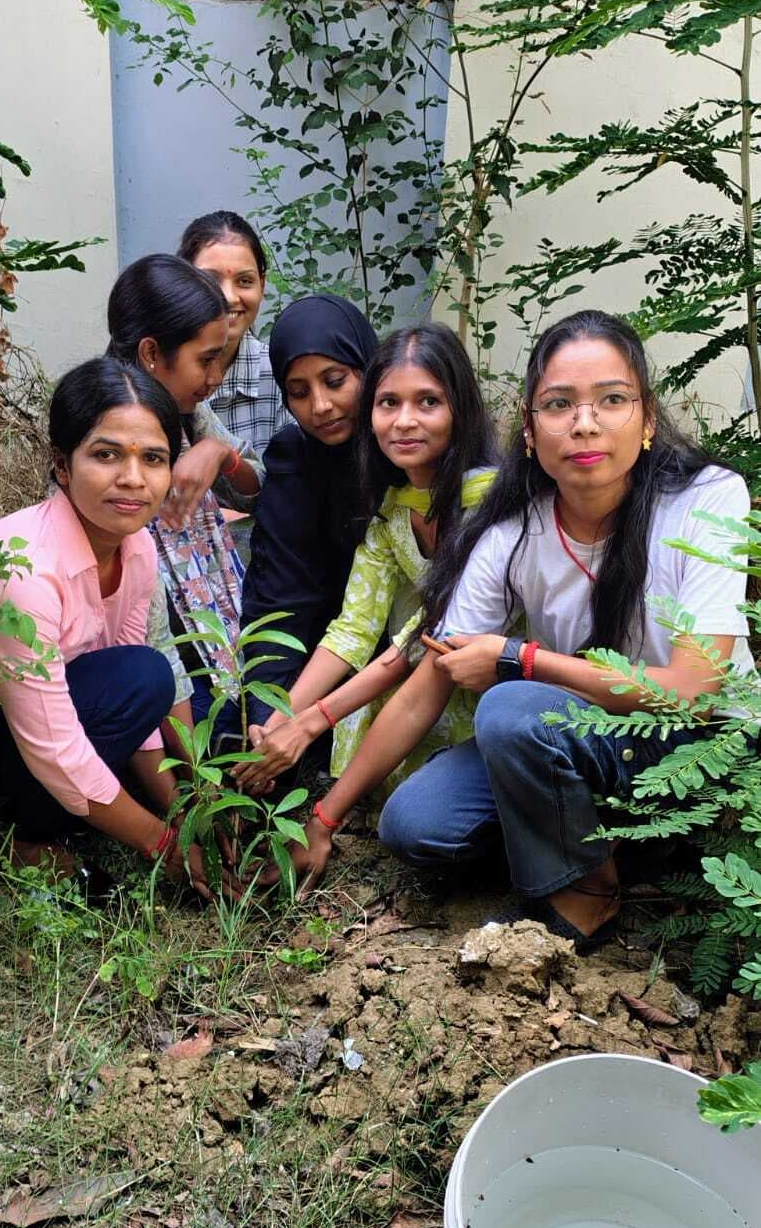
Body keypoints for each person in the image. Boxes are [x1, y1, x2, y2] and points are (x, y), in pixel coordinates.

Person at [289, 310, 753, 950]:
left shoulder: (705, 498)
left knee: (509, 708)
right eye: (558, 404)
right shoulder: (512, 527)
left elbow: (694, 691)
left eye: (611, 400)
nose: (584, 423)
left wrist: (522, 658)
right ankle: (606, 840)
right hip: (569, 736)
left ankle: (590, 892)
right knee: (413, 824)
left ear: (647, 419)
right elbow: (428, 679)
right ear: (529, 430)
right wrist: (325, 815)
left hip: (689, 744)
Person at [0, 357, 214, 891]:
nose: (133, 478)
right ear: (62, 464)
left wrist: (183, 812)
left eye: (153, 458)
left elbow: (131, 693)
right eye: (106, 454)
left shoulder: (138, 549)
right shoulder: (18, 570)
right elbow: (54, 749)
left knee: (145, 673)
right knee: (135, 684)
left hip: (18, 711)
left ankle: (48, 817)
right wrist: (163, 844)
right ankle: (16, 840)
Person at [237, 324, 497, 791]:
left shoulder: (491, 505)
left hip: (496, 693)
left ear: (460, 409)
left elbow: (422, 637)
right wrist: (279, 718)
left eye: (428, 402)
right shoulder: (394, 509)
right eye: (389, 403)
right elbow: (354, 628)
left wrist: (311, 721)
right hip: (422, 679)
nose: (404, 421)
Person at [106, 254, 266, 738]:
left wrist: (220, 454)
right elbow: (147, 624)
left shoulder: (189, 416)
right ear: (152, 354)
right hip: (152, 661)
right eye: (206, 360)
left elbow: (258, 486)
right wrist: (188, 770)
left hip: (210, 637)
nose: (215, 377)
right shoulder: (107, 434)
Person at [239, 292, 379, 720]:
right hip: (312, 665)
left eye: (335, 381)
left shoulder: (407, 454)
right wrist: (268, 711)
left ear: (369, 370)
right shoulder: (293, 462)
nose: (320, 406)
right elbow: (279, 600)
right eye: (298, 392)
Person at [178, 210, 288, 452]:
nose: (228, 297)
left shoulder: (282, 376)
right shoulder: (162, 372)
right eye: (211, 280)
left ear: (262, 285)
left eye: (245, 281)